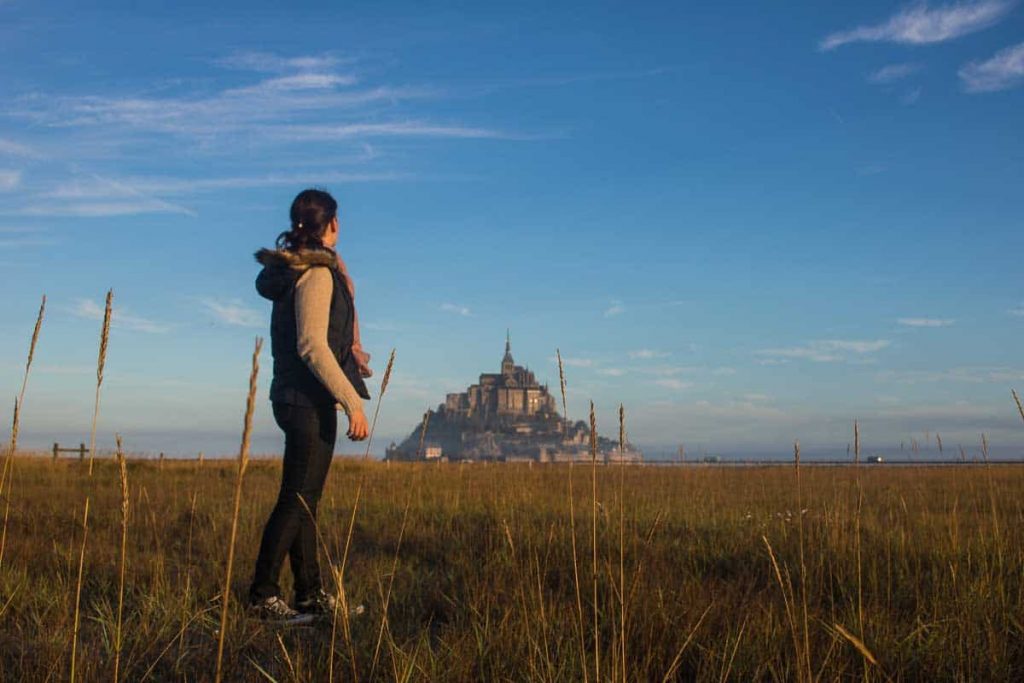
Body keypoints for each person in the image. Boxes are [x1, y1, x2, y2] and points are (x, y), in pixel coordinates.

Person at [247, 188, 371, 623]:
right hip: (306, 401)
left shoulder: (300, 270)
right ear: (331, 224)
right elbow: (311, 346)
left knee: (305, 502)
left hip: (297, 397)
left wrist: (350, 351)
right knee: (295, 500)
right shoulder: (317, 274)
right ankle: (262, 596)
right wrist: (352, 401)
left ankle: (310, 595)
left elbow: (317, 337)